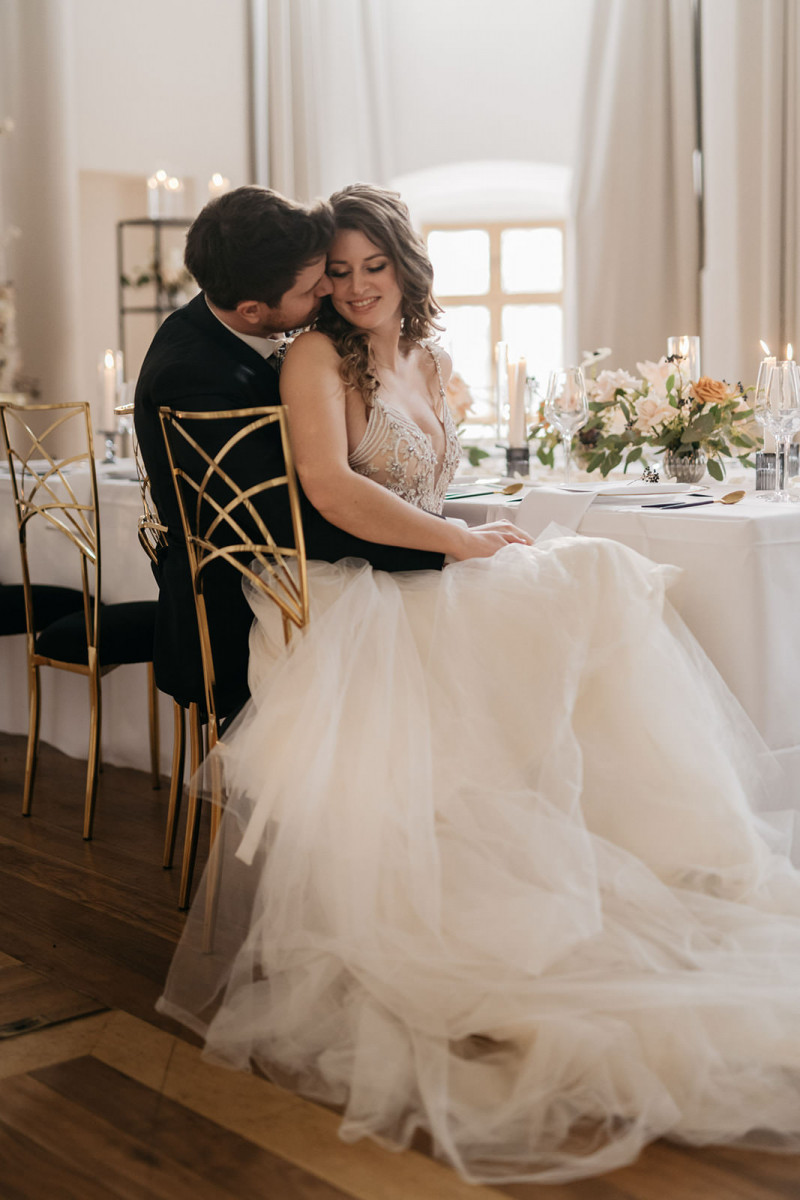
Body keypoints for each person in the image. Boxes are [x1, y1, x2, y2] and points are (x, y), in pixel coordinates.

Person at [157, 184, 800, 1186]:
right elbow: (330, 490)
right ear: (310, 285)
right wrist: (460, 545)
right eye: (337, 271)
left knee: (586, 574)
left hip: (418, 564)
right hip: (350, 599)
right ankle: (554, 858)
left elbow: (422, 484)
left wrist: (471, 533)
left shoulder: (432, 358)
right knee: (589, 574)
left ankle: (644, 844)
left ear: (406, 269)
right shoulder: (313, 357)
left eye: (374, 267)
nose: (356, 286)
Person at [134, 185, 447, 720]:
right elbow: (289, 517)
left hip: (328, 575)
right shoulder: (197, 376)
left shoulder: (233, 326)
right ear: (254, 310)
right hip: (249, 610)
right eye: (317, 281)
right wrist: (444, 552)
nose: (331, 289)